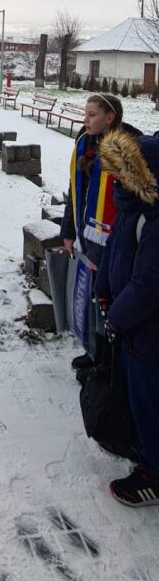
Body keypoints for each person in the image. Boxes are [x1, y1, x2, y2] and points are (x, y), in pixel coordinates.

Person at [96, 130, 159, 506]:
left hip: (149, 333)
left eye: (123, 170)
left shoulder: (154, 220)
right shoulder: (132, 206)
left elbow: (149, 284)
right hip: (131, 327)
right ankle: (139, 444)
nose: (116, 178)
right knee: (136, 396)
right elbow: (114, 248)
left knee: (150, 401)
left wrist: (118, 318)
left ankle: (154, 473)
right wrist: (103, 287)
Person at [60, 93, 141, 377]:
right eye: (85, 113)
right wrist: (68, 230)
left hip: (116, 240)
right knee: (92, 296)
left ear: (110, 118)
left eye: (92, 114)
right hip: (87, 235)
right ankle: (94, 352)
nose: (85, 119)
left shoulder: (129, 147)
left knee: (110, 300)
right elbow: (75, 189)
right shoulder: (85, 142)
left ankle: (110, 364)